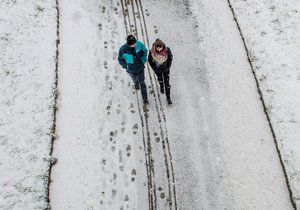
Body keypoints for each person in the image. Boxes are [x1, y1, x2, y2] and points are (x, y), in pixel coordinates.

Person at [118, 35, 149, 104]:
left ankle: (145, 99)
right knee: (134, 79)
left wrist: (143, 60)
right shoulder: (123, 49)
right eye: (132, 44)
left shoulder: (139, 44)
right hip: (131, 70)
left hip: (140, 68)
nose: (134, 45)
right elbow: (120, 59)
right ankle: (136, 83)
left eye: (135, 43)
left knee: (142, 83)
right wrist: (126, 66)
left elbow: (145, 51)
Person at [148, 38, 173, 105]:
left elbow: (170, 58)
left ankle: (168, 98)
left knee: (167, 83)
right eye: (157, 48)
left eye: (160, 47)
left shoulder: (167, 50)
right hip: (157, 69)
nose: (159, 49)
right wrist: (155, 68)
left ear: (162, 46)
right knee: (160, 79)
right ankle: (161, 86)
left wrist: (167, 67)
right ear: (155, 47)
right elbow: (150, 60)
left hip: (166, 69)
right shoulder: (152, 51)